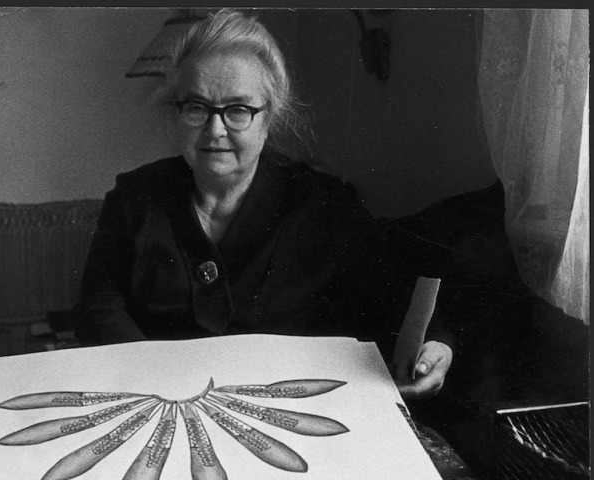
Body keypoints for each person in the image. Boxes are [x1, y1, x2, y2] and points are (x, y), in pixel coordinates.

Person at [72, 9, 453, 399]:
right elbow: (99, 309)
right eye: (197, 107)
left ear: (268, 118)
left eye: (238, 110)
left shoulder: (324, 204)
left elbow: (394, 299)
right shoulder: (134, 197)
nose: (214, 129)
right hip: (158, 401)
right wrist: (158, 382)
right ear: (178, 113)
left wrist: (435, 345)